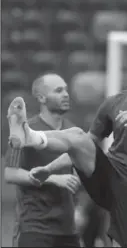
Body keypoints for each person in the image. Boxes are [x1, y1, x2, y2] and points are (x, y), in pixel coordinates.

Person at [7, 38, 127, 247]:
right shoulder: (113, 103)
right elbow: (81, 147)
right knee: (78, 135)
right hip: (110, 177)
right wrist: (49, 170)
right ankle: (29, 135)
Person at [4, 73, 81, 247]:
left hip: (68, 229)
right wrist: (52, 178)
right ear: (41, 97)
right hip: (35, 228)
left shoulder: (73, 130)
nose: (66, 94)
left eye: (66, 90)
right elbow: (10, 173)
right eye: (59, 90)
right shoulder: (24, 130)